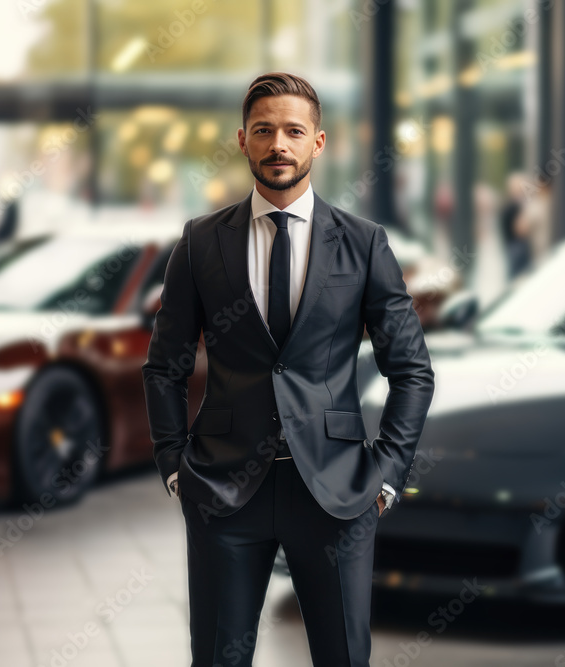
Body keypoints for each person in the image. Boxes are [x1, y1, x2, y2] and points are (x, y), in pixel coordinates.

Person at [141, 72, 435, 667]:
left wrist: (385, 475)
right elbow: (163, 367)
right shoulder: (199, 243)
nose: (279, 144)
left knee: (343, 657)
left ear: (317, 143)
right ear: (243, 140)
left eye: (293, 131)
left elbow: (411, 370)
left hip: (336, 491)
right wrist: (175, 467)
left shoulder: (364, 244)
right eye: (264, 130)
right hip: (224, 490)